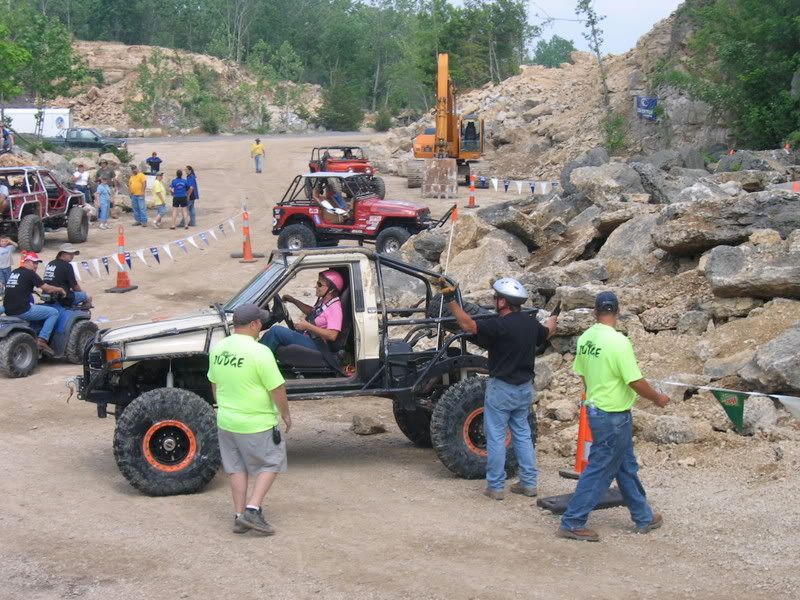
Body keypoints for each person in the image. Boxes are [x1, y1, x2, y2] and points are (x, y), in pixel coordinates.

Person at [557, 292, 669, 542]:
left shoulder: (586, 338)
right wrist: (657, 398)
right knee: (599, 470)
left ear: (596, 313)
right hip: (613, 415)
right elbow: (635, 381)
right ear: (617, 313)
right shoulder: (619, 342)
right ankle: (573, 521)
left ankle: (643, 515)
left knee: (625, 466)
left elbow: (583, 375)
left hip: (597, 409)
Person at [442, 276, 557, 500]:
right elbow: (548, 331)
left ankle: (495, 486)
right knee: (522, 435)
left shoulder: (498, 325)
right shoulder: (530, 323)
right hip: (524, 388)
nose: (494, 300)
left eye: (496, 297)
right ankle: (529, 483)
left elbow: (467, 324)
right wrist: (552, 321)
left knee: (495, 436)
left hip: (501, 388)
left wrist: (450, 300)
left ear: (503, 302)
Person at [207, 303, 291, 535]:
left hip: (226, 420)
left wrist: (224, 407)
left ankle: (239, 515)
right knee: (272, 461)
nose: (262, 326)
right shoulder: (260, 352)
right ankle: (253, 510)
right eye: (260, 322)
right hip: (256, 422)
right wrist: (285, 414)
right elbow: (277, 388)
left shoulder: (219, 348)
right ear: (253, 324)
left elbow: (214, 383)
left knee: (236, 468)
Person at [260, 270, 345, 355]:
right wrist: (294, 301)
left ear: (331, 290)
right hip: (309, 336)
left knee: (276, 331)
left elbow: (332, 335)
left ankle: (256, 357)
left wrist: (308, 326)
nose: (315, 286)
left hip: (318, 344)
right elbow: (313, 312)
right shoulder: (325, 302)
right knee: (272, 333)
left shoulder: (335, 308)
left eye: (319, 284)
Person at [2, 253, 67, 353]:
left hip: (8, 309)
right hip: (23, 311)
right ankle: (42, 340)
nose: (36, 265)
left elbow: (18, 287)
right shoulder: (30, 274)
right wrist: (60, 289)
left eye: (37, 263)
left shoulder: (14, 272)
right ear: (27, 262)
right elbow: (46, 288)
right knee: (53, 312)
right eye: (34, 263)